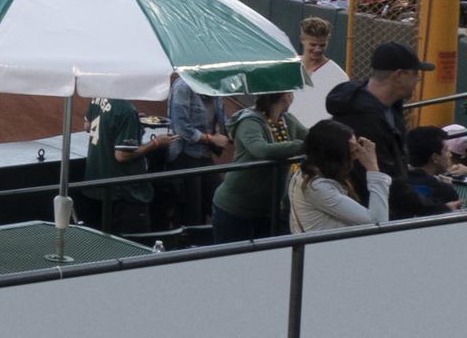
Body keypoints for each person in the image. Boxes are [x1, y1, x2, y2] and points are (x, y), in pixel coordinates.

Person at [326, 42, 435, 219]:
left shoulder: (389, 108)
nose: (418, 80)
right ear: (399, 75)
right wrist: (436, 209)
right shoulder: (361, 119)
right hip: (368, 215)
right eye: (415, 74)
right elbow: (385, 178)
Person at [211, 89, 306, 243]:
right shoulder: (250, 121)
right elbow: (261, 150)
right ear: (286, 96)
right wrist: (302, 146)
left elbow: (311, 136)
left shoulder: (287, 120)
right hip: (236, 209)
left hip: (268, 209)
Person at [82, 95, 173, 234]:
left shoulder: (98, 96)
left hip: (95, 185)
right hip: (123, 192)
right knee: (133, 248)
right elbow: (122, 155)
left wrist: (131, 122)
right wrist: (156, 143)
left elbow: (87, 126)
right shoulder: (126, 110)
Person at [288, 119, 390, 232]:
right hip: (327, 248)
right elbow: (379, 222)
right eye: (350, 153)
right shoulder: (317, 187)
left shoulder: (304, 173)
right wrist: (373, 169)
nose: (356, 157)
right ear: (334, 156)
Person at [163, 73, 229, 230]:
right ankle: (188, 247)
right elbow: (181, 128)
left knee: (219, 202)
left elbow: (222, 119)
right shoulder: (183, 86)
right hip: (184, 154)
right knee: (191, 212)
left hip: (204, 154)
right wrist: (210, 139)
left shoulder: (215, 86)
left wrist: (224, 131)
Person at [402, 126, 463, 213]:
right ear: (435, 158)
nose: (450, 155)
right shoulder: (444, 191)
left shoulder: (396, 181)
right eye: (446, 150)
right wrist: (448, 187)